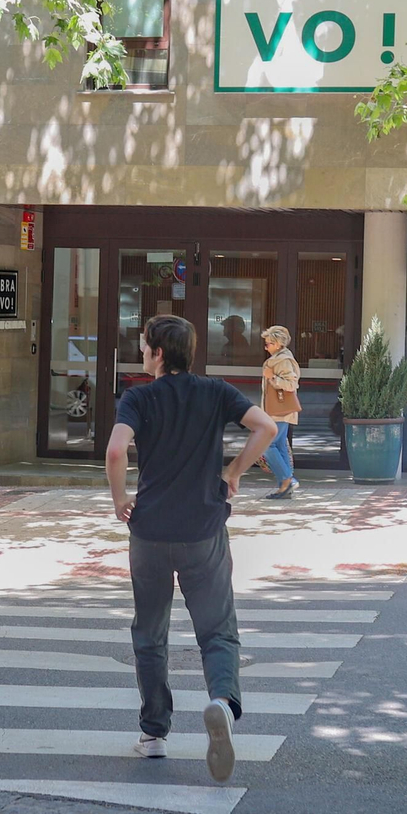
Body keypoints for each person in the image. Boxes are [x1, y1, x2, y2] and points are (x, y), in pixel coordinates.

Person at [105, 313, 277, 783]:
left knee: (150, 633)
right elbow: (266, 428)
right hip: (204, 531)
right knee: (218, 630)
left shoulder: (138, 397)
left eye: (145, 346)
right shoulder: (215, 391)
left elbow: (117, 451)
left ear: (158, 353)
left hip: (150, 534)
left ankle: (154, 733)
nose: (143, 352)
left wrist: (121, 499)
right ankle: (221, 702)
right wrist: (234, 471)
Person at [259, 325, 302, 499]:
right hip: (277, 411)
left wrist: (272, 377)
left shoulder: (282, 360)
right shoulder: (279, 358)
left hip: (279, 412)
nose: (266, 347)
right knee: (279, 445)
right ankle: (285, 487)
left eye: (268, 343)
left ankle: (287, 480)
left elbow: (292, 384)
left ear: (277, 344)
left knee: (267, 445)